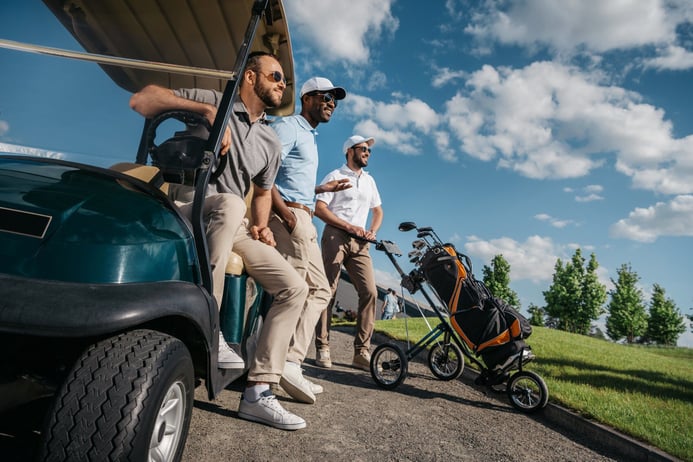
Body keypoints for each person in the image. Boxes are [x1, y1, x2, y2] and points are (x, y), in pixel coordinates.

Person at [129, 51, 309, 430]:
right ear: (249, 77)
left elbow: (261, 193)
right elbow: (141, 100)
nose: (282, 84)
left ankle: (259, 392)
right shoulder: (213, 100)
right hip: (185, 202)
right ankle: (210, 328)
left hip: (234, 222)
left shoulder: (270, 142)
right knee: (227, 203)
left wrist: (262, 227)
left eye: (284, 81)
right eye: (276, 76)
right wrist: (205, 112)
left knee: (294, 286)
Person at [269, 77, 349, 404]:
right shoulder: (288, 127)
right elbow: (262, 172)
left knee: (321, 290)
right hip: (291, 217)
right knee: (299, 291)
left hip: (303, 214)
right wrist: (287, 216)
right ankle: (278, 366)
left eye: (335, 99)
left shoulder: (309, 135)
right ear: (307, 97)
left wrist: (320, 190)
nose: (332, 102)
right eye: (326, 96)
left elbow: (292, 178)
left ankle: (291, 362)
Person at [314, 135, 383, 371]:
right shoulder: (335, 176)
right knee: (328, 290)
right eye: (363, 148)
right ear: (349, 151)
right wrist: (347, 226)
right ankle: (322, 346)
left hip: (361, 242)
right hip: (336, 235)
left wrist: (372, 231)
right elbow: (319, 209)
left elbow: (378, 211)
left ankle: (361, 352)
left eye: (369, 150)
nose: (367, 152)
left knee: (370, 292)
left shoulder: (370, 181)